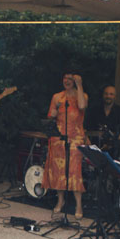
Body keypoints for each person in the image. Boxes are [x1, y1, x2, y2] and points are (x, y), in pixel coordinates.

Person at [42, 72, 88, 218]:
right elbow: (50, 116)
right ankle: (60, 200)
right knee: (59, 171)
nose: (67, 81)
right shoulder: (57, 97)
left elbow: (82, 105)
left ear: (75, 81)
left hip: (75, 138)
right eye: (65, 78)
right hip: (59, 137)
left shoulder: (82, 95)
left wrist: (79, 85)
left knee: (74, 171)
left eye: (70, 79)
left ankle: (78, 204)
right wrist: (53, 112)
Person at [87, 85, 120, 159]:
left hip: (114, 150)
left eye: (111, 94)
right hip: (96, 147)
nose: (108, 96)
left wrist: (113, 140)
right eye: (106, 94)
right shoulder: (94, 110)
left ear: (115, 96)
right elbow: (87, 129)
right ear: (103, 95)